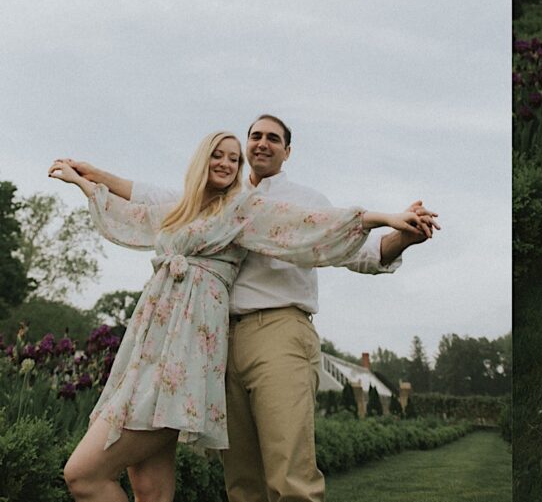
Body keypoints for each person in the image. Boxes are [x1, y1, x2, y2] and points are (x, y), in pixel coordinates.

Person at [50, 129, 436, 502]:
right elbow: (141, 205)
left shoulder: (255, 208)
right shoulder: (196, 205)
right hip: (185, 344)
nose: (245, 152)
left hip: (255, 337)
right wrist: (87, 178)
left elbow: (317, 230)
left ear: (287, 150)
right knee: (225, 482)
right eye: (248, 140)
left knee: (289, 474)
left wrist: (387, 220)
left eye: (269, 140)